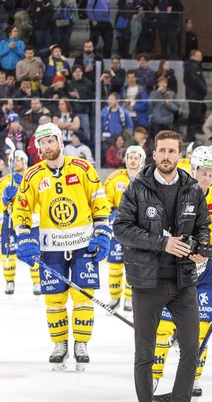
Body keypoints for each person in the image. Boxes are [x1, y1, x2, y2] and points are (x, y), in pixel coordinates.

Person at [113, 130, 211, 402]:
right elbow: (122, 229)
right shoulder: (137, 188)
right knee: (145, 352)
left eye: (172, 151)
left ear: (180, 155)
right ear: (154, 154)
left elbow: (203, 227)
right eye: (162, 150)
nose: (166, 156)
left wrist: (200, 250)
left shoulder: (193, 189)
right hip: (147, 282)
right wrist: (162, 243)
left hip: (183, 282)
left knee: (192, 349)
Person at [13, 123, 111, 370]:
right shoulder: (33, 175)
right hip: (51, 246)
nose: (47, 147)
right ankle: (60, 344)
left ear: (59, 141)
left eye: (51, 141)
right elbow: (22, 208)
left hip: (83, 244)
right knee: (54, 298)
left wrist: (102, 229)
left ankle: (81, 343)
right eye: (42, 143)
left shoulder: (82, 167)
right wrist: (24, 236)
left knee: (83, 295)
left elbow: (98, 199)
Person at [151, 146, 212, 400]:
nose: (208, 177)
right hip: (171, 271)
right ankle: (153, 377)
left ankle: (192, 378)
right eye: (203, 171)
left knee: (199, 331)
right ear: (193, 168)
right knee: (162, 329)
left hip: (204, 275)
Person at [104, 145, 146, 313]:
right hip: (118, 231)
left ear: (142, 161)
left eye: (136, 157)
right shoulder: (114, 178)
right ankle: (114, 298)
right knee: (114, 265)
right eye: (130, 157)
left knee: (133, 266)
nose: (133, 160)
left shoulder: (148, 180)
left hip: (137, 233)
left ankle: (130, 299)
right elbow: (104, 200)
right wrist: (112, 213)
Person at [2, 150, 40, 295]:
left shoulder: (33, 178)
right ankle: (9, 281)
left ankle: (37, 281)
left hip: (31, 221)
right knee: (8, 252)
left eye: (18, 159)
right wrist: (5, 200)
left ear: (25, 161)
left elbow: (40, 199)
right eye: (12, 160)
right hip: (10, 220)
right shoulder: (4, 181)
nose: (15, 162)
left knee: (33, 250)